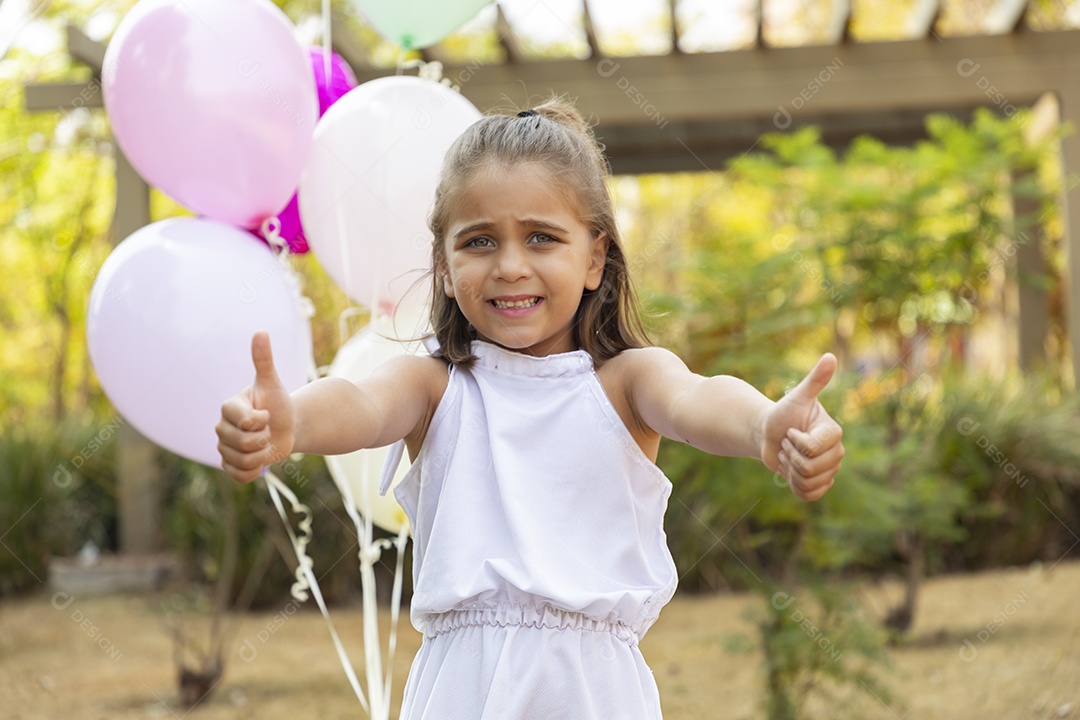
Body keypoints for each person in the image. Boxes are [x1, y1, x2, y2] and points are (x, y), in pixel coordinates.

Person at [217, 97, 844, 719]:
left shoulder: (626, 382)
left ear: (595, 257)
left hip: (595, 696)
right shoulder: (434, 387)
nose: (510, 266)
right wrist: (291, 421)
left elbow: (697, 398)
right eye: (479, 241)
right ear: (443, 263)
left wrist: (763, 424)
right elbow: (358, 402)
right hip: (462, 692)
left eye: (542, 238)